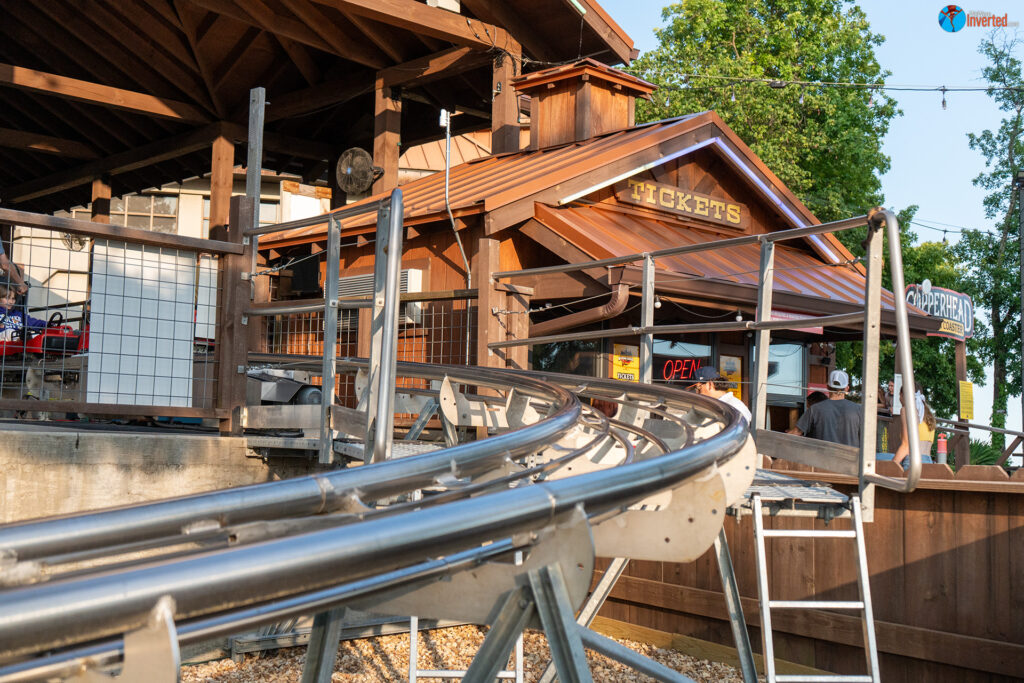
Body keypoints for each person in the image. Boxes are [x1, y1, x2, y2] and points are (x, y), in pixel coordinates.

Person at [787, 369, 863, 447]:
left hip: (821, 458)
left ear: (827, 386)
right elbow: (865, 438)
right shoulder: (859, 410)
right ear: (847, 388)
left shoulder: (814, 409)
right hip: (850, 458)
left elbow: (795, 433)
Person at [893, 383, 936, 468]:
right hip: (928, 462)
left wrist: (892, 465)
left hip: (912, 462)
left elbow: (906, 446)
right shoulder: (928, 415)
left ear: (902, 395)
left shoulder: (906, 410)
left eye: (899, 395)